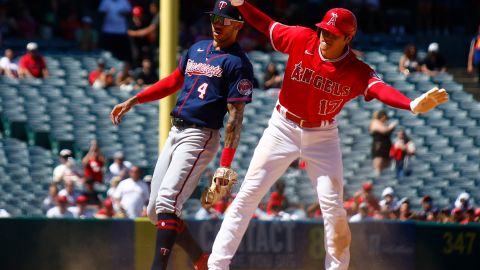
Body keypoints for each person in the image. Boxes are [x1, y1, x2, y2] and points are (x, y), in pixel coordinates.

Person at [207, 1, 448, 269]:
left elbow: (380, 89)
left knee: (334, 210)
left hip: (322, 136)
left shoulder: (355, 69)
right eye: (324, 31)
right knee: (247, 196)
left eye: (333, 34)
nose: (326, 37)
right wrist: (243, 4)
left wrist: (410, 104)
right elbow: (267, 25)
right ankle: (217, 265)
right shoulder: (302, 38)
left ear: (348, 37)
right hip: (282, 127)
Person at [110, 1, 253, 269]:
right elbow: (175, 80)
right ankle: (201, 259)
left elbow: (236, 116)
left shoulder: (238, 64)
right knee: (154, 211)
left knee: (167, 202)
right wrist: (136, 99)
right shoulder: (198, 48)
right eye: (214, 19)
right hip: (176, 130)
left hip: (200, 136)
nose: (216, 25)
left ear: (237, 26)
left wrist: (225, 164)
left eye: (223, 21)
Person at [369, 110, 397, 175]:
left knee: (386, 165)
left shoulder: (383, 124)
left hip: (386, 146)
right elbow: (384, 131)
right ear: (382, 117)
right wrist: (391, 127)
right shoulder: (375, 122)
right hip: (379, 146)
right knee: (379, 164)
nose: (386, 120)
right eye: (385, 118)